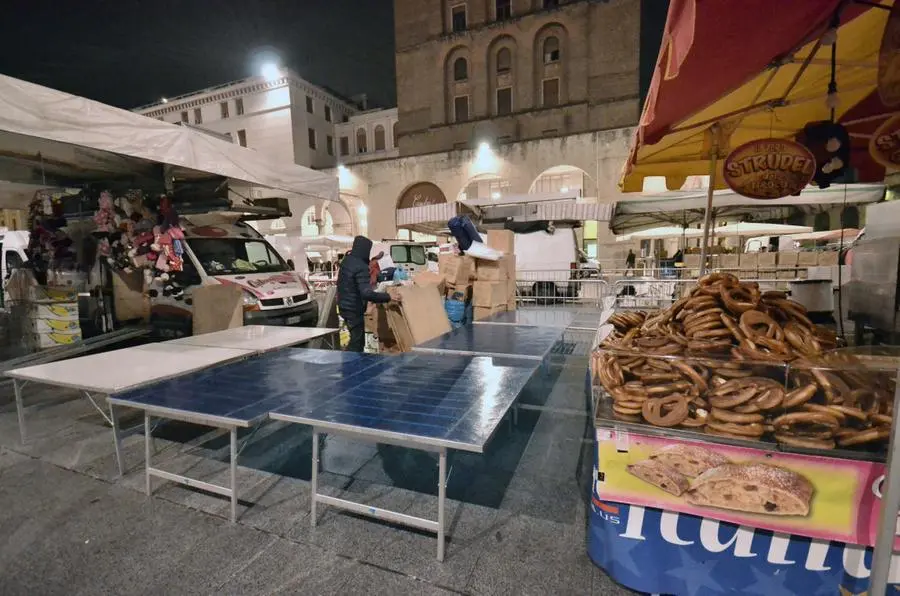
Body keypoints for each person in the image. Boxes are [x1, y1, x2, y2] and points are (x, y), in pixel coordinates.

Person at [338, 236, 395, 352]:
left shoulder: (347, 260)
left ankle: (349, 363)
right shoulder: (361, 267)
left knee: (355, 339)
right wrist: (388, 297)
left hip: (343, 305)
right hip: (353, 309)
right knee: (357, 343)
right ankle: (350, 367)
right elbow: (366, 293)